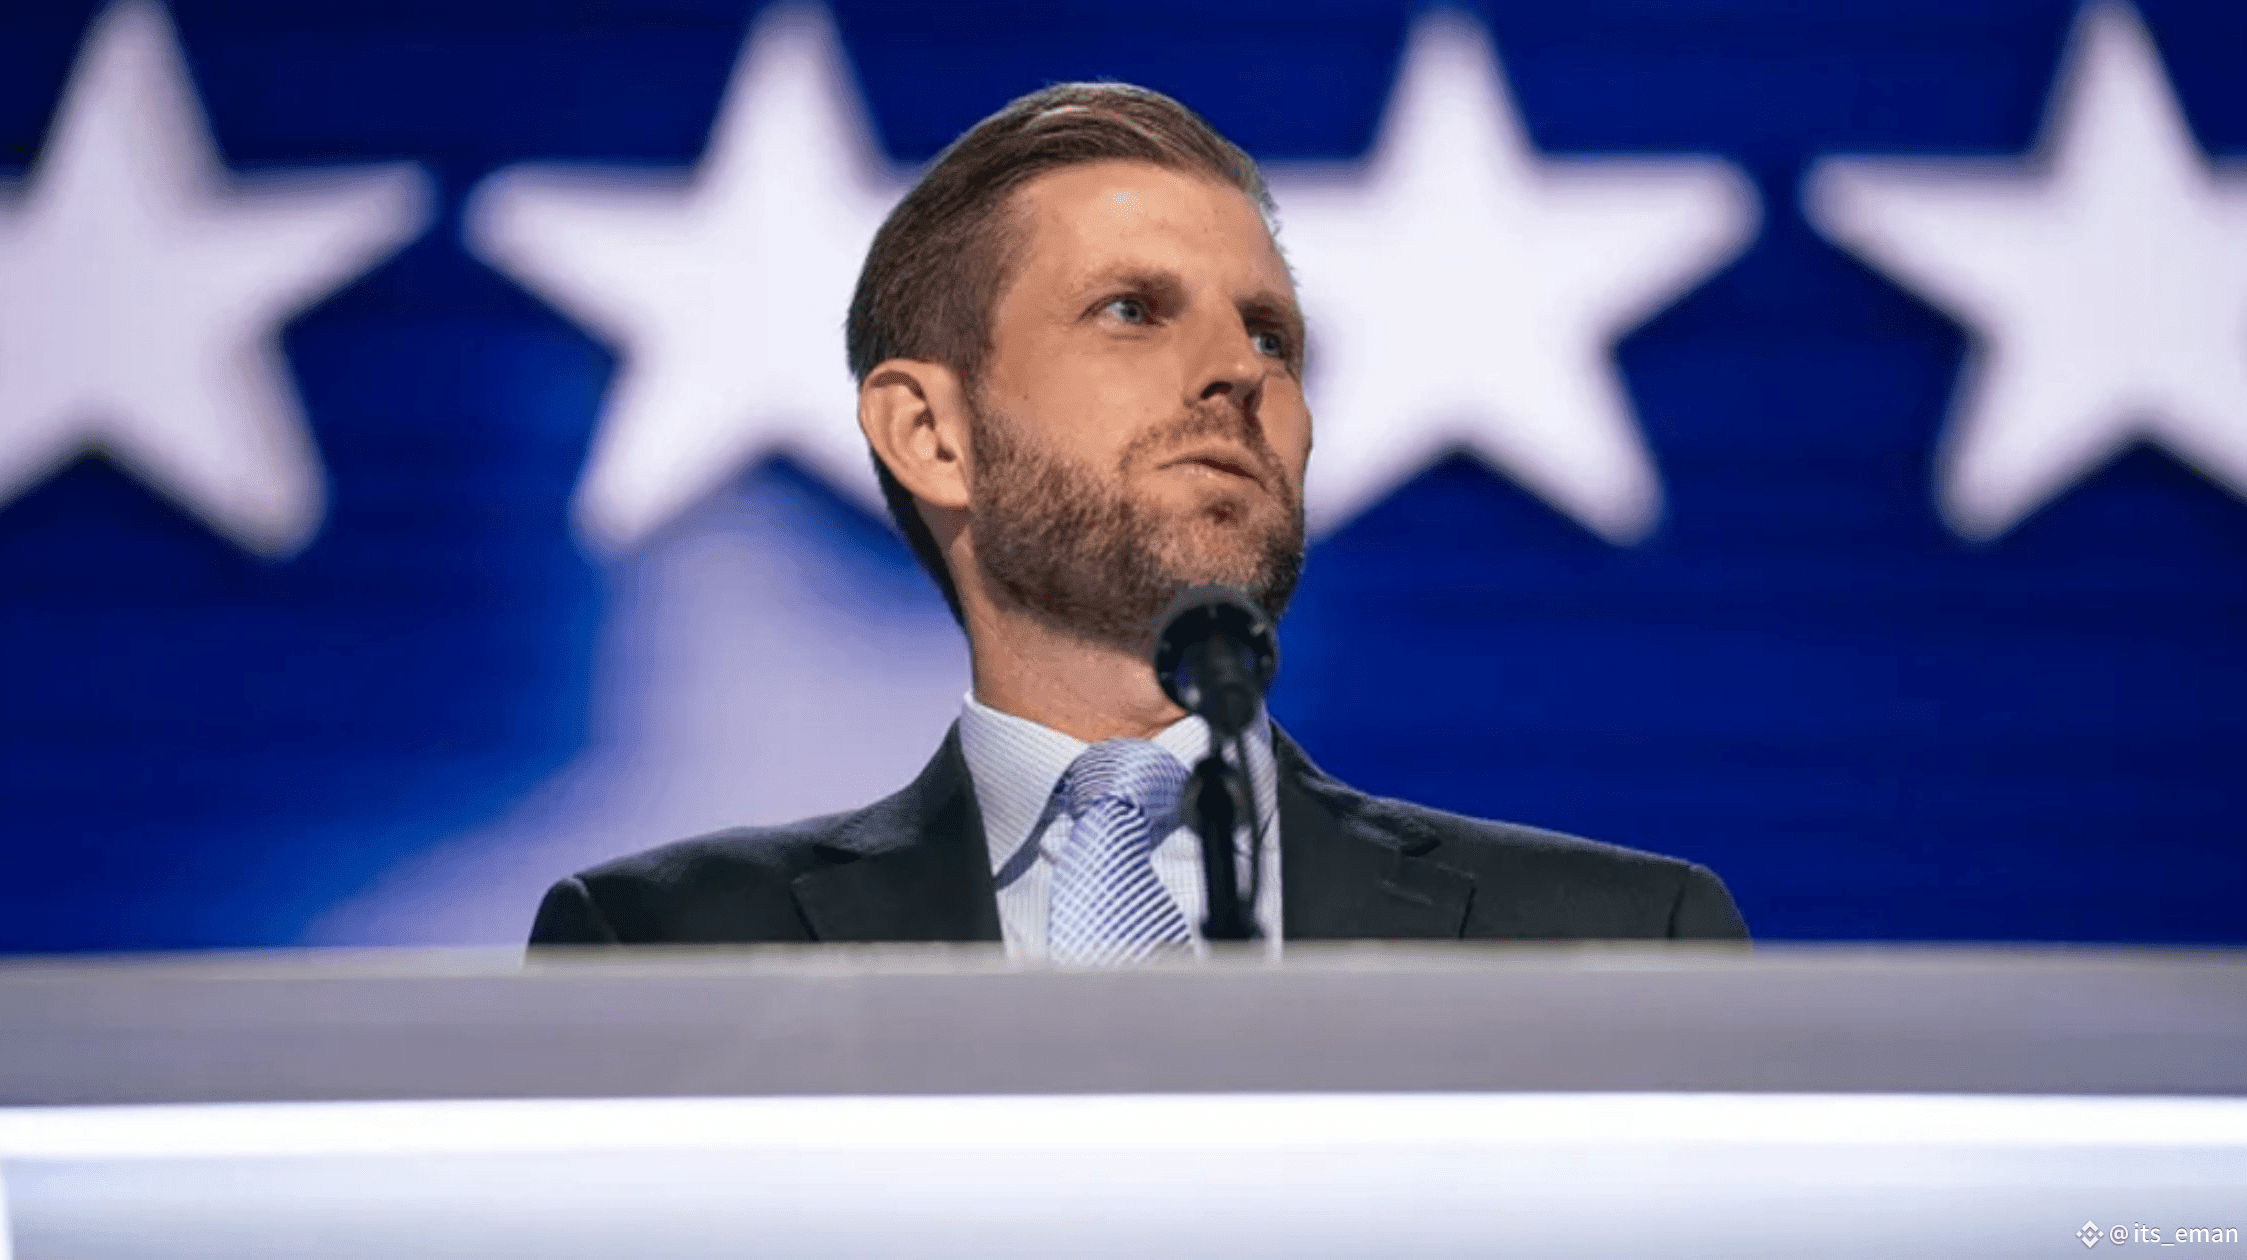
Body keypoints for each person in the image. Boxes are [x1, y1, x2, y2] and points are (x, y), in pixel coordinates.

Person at [530, 82, 1747, 957]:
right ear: (931, 435)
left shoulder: (1623, 944)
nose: (1238, 372)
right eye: (1130, 310)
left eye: (1270, 334)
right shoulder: (666, 950)